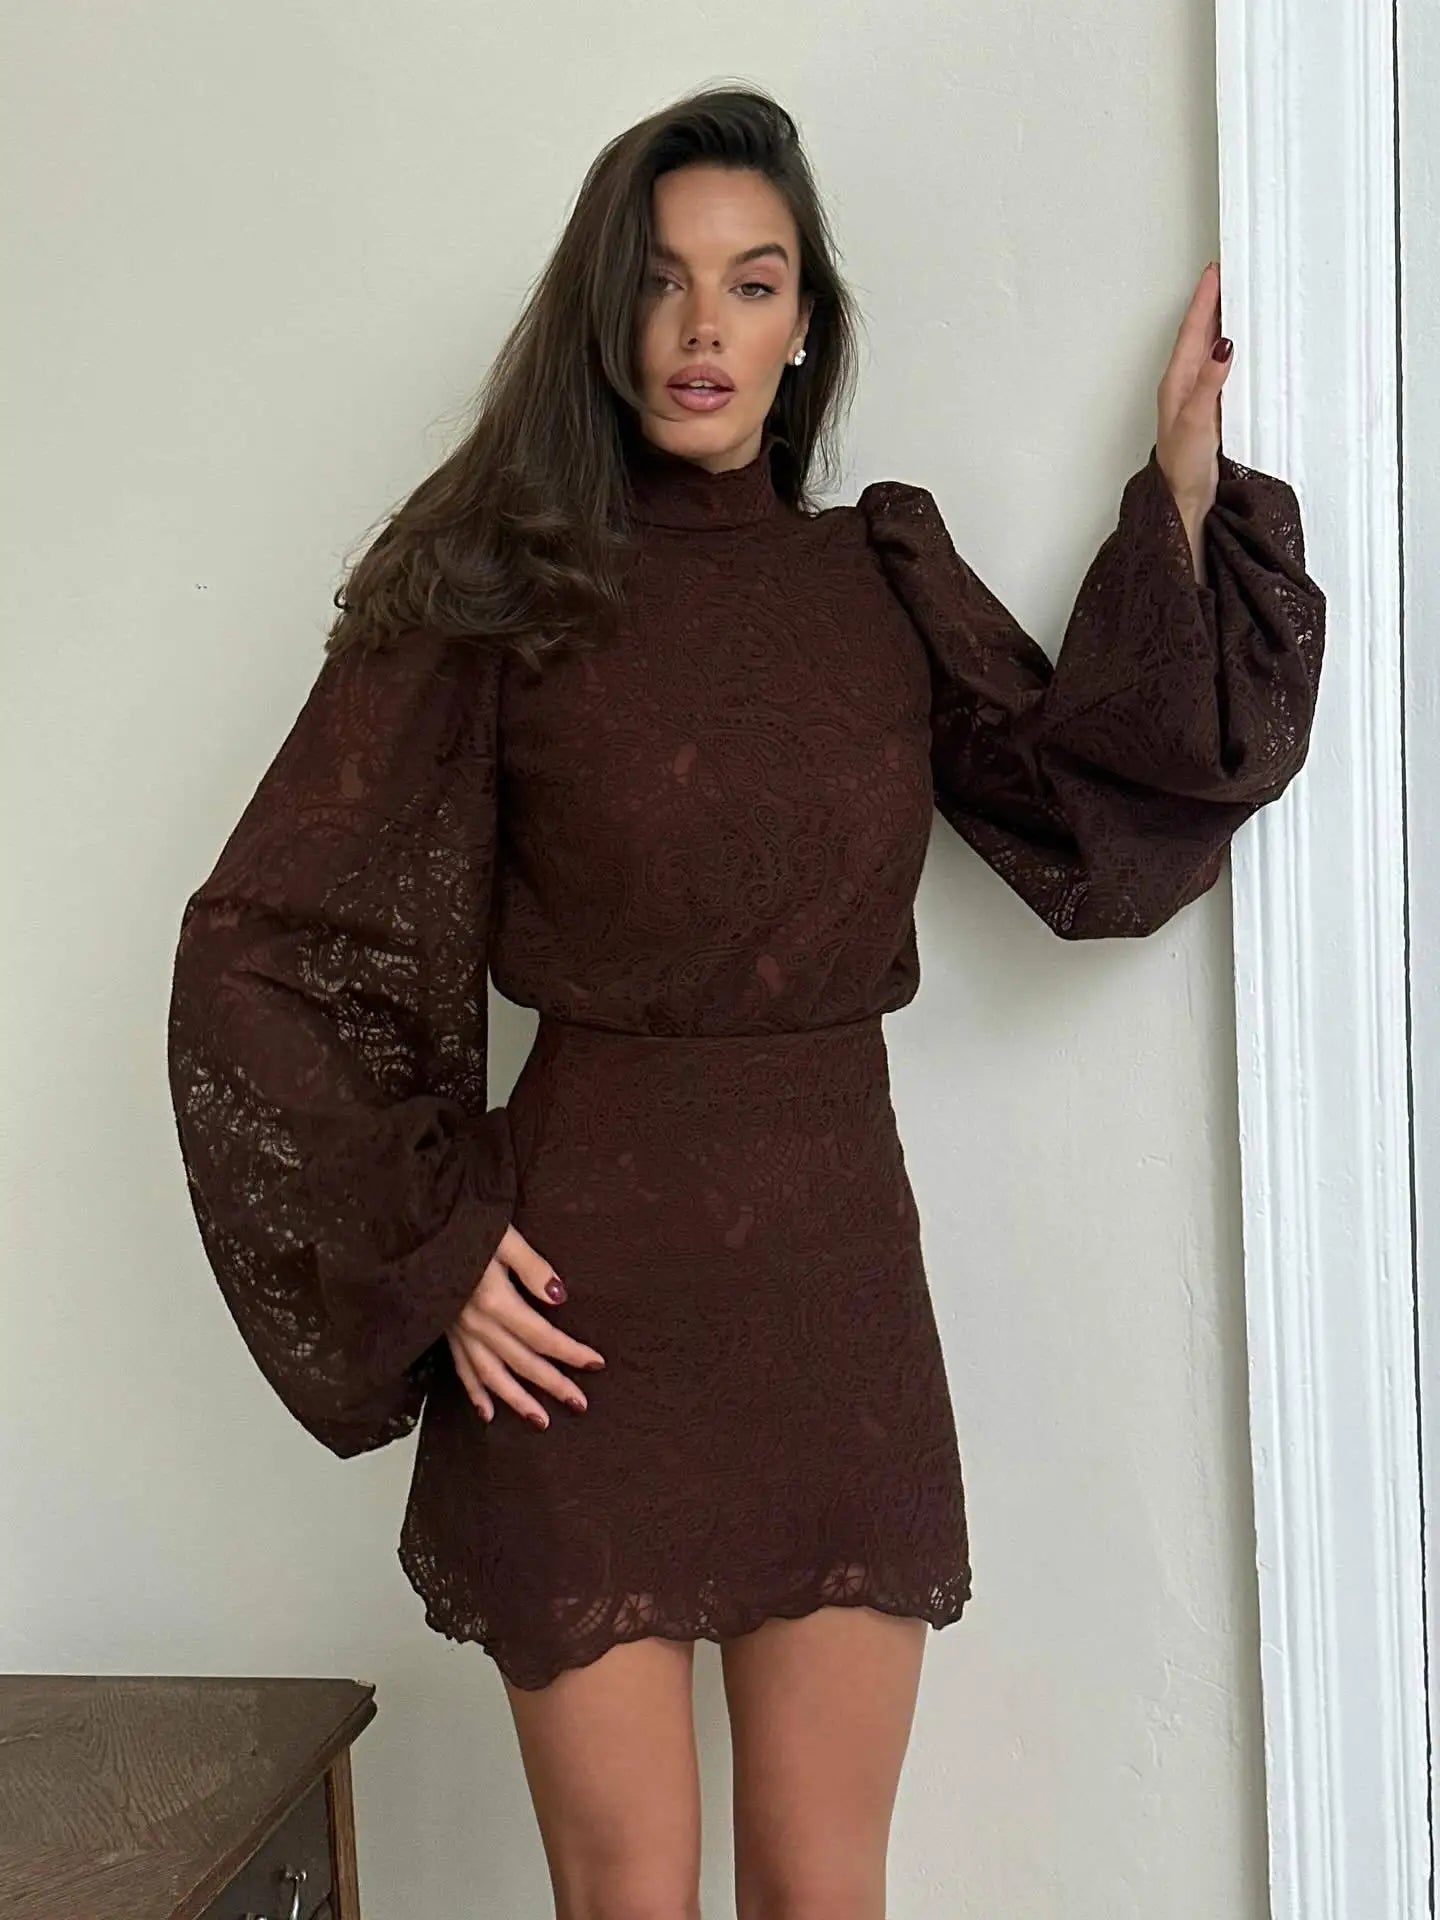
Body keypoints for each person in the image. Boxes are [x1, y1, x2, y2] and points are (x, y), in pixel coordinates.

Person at [166, 81, 1326, 1920]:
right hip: (574, 1319)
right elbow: (263, 948)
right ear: (603, 312)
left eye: (753, 281)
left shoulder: (878, 577)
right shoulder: (496, 599)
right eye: (662, 278)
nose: (703, 325)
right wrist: (429, 1241)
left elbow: (1096, 814)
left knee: (823, 1893)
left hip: (830, 1299)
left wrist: (1182, 491)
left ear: (804, 328)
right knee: (629, 1898)